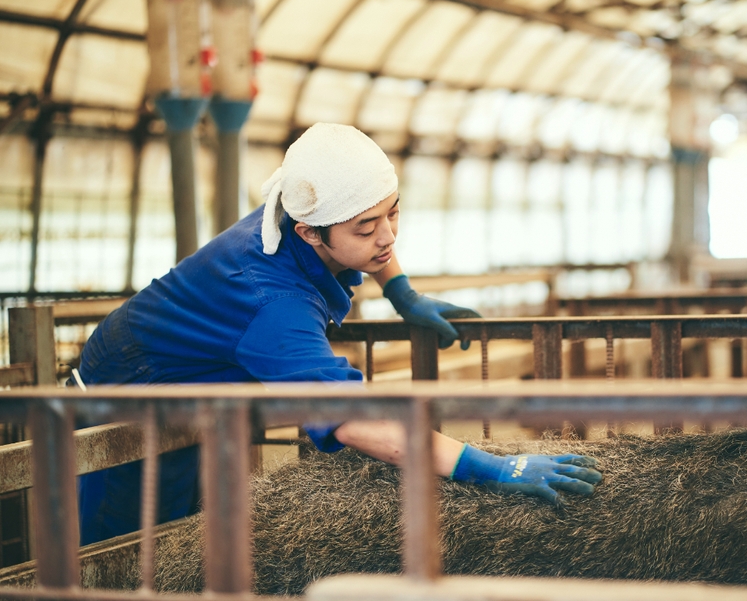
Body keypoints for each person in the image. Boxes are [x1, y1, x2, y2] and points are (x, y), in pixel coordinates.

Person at [75, 123, 602, 546]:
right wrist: (493, 467)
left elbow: (368, 231)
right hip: (127, 391)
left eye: (394, 215)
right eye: (367, 229)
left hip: (188, 383)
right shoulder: (273, 304)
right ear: (310, 232)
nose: (388, 237)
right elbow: (353, 419)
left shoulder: (305, 213)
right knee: (129, 540)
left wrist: (401, 294)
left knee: (183, 510)